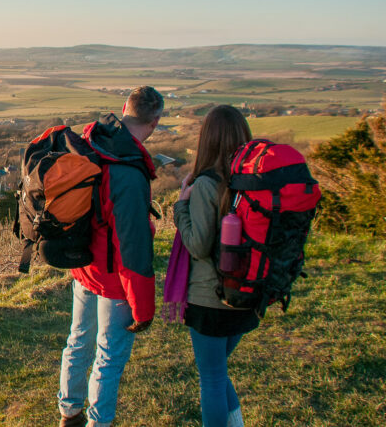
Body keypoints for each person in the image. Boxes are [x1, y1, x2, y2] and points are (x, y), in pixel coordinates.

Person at [58, 86, 163, 427]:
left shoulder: (95, 143)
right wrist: (144, 310)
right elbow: (132, 249)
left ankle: (69, 411)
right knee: (108, 355)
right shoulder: (129, 171)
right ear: (156, 121)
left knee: (77, 340)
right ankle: (97, 423)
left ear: (124, 108)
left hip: (83, 263)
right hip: (112, 280)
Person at [173, 105, 260, 427]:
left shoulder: (208, 184)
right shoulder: (254, 183)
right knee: (218, 372)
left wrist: (181, 207)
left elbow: (197, 245)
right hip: (250, 293)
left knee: (211, 378)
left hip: (212, 298)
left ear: (207, 138)